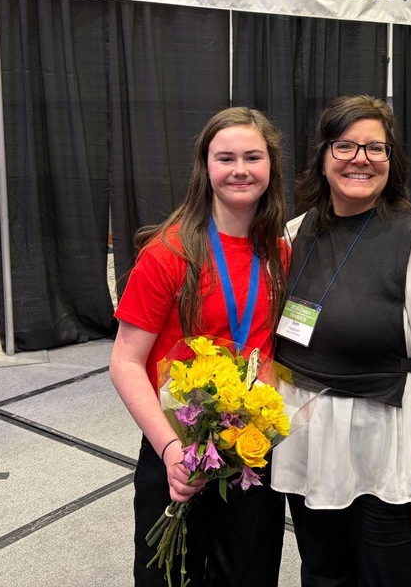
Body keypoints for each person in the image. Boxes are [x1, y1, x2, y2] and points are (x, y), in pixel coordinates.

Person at [271, 94, 411, 586]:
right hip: (312, 448)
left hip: (392, 454)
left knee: (393, 577)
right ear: (323, 158)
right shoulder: (294, 234)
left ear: (392, 162)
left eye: (375, 148)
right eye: (345, 145)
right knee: (324, 574)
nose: (360, 159)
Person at [110, 106, 290, 587]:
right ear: (205, 167)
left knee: (249, 576)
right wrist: (171, 450)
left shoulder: (279, 251)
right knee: (170, 576)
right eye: (225, 157)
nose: (239, 170)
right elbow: (125, 362)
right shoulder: (168, 253)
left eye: (253, 157)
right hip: (177, 450)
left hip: (252, 455)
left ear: (271, 166)